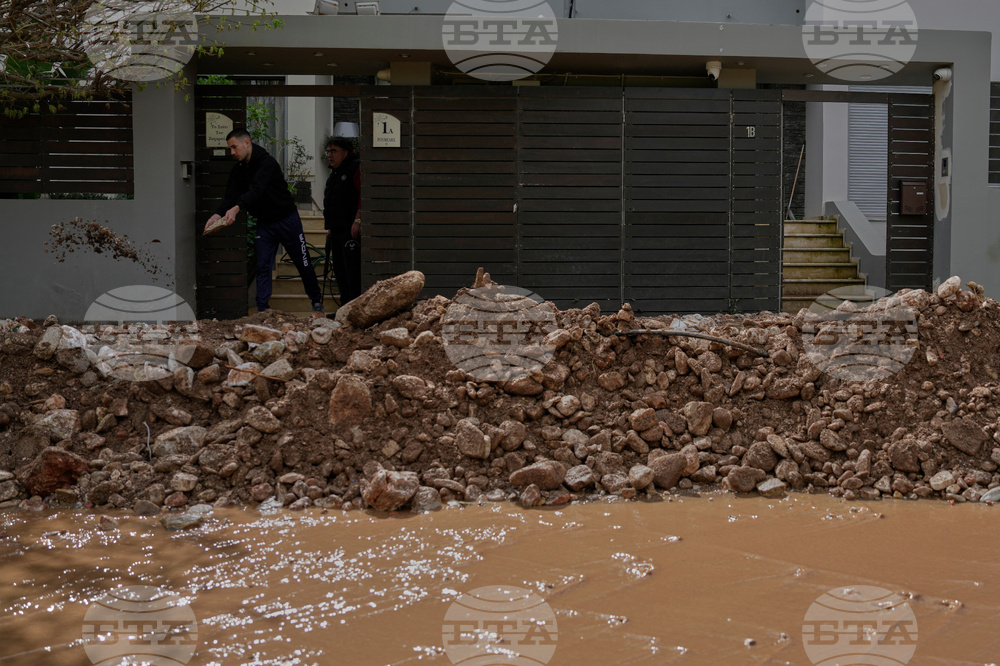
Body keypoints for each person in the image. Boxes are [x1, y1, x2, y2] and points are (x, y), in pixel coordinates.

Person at [204, 128, 325, 317]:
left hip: (287, 220)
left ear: (246, 143)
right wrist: (216, 215)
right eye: (230, 149)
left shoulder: (267, 163)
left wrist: (237, 208)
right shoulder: (239, 170)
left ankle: (316, 302)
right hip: (265, 224)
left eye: (234, 147)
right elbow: (230, 196)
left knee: (302, 262)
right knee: (263, 265)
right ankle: (262, 310)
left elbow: (256, 190)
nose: (232, 152)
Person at [323, 136, 362, 304]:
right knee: (339, 271)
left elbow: (362, 196)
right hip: (336, 229)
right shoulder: (334, 174)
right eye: (328, 151)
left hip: (350, 230)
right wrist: (330, 228)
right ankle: (344, 308)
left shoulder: (355, 168)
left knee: (351, 271)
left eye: (333, 151)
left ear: (345, 152)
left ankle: (355, 307)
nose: (329, 155)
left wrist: (358, 220)